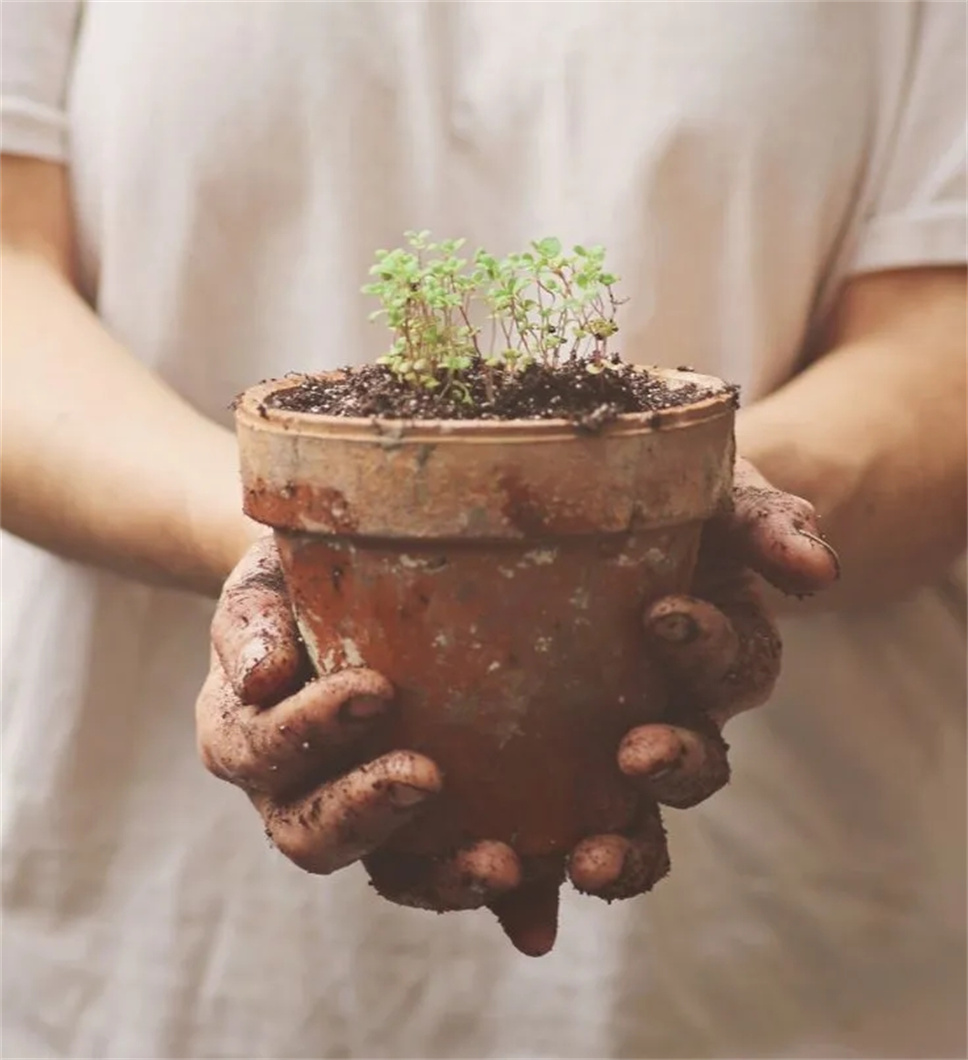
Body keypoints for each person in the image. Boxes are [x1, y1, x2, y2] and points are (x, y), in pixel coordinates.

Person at [2, 2, 965, 1057]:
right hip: (148, 947)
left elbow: (938, 341)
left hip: (781, 957)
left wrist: (692, 500)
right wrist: (284, 537)